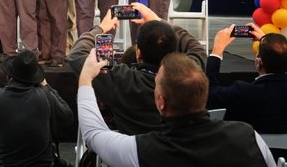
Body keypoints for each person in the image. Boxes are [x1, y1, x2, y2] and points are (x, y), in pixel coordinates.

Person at [77, 50, 275, 167]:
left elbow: (93, 134)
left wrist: (86, 79)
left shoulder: (143, 150)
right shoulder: (248, 136)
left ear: (161, 102)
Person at [67, 2, 206, 135]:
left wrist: (101, 28)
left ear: (138, 53)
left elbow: (77, 55)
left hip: (130, 155)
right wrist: (160, 22)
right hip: (178, 155)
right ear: (174, 51)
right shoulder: (187, 77)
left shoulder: (123, 80)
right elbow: (197, 50)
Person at [0, 50, 74, 167]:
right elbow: (67, 117)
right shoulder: (44, 94)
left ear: (9, 75)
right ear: (35, 78)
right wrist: (47, 87)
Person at [207, 24, 287, 134]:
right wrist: (268, 42)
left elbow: (210, 92)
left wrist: (217, 50)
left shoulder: (244, 92)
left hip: (251, 150)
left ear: (258, 63)